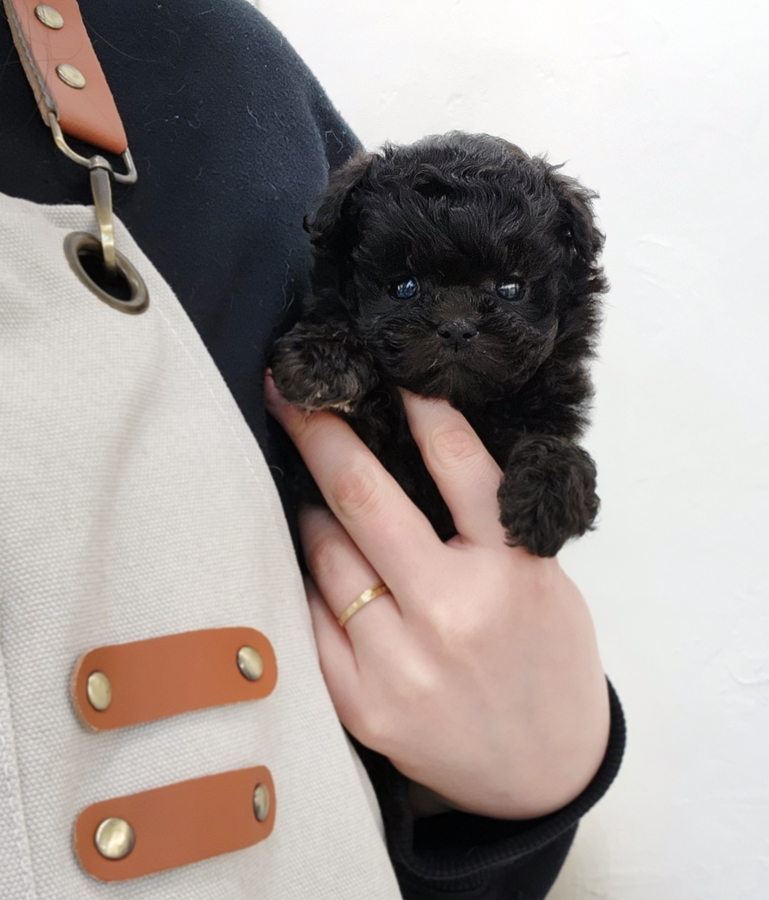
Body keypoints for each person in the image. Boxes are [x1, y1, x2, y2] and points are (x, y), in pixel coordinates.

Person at [0, 0, 624, 896]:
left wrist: (534, 775)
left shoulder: (202, 66)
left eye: (506, 292)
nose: (456, 323)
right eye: (406, 288)